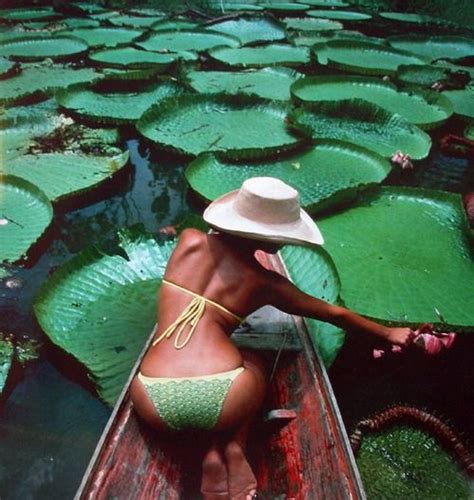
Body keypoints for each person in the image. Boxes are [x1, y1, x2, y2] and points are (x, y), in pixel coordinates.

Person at [130, 177, 415, 500]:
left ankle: (207, 451)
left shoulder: (188, 240)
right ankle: (232, 446)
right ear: (270, 238)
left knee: (211, 379)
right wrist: (390, 333)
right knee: (255, 359)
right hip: (225, 398)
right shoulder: (266, 283)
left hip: (151, 397)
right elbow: (334, 314)